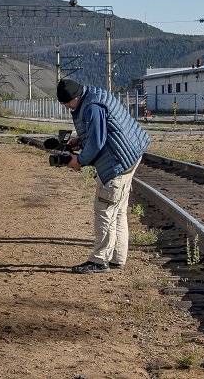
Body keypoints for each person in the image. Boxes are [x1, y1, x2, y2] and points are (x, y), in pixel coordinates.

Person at [56, 79, 150, 274]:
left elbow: (97, 143)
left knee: (104, 208)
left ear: (74, 98)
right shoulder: (94, 95)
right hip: (130, 154)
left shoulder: (91, 108)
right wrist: (79, 140)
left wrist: (79, 161)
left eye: (66, 104)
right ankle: (117, 257)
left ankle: (100, 260)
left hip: (117, 162)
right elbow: (101, 131)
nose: (67, 108)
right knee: (119, 209)